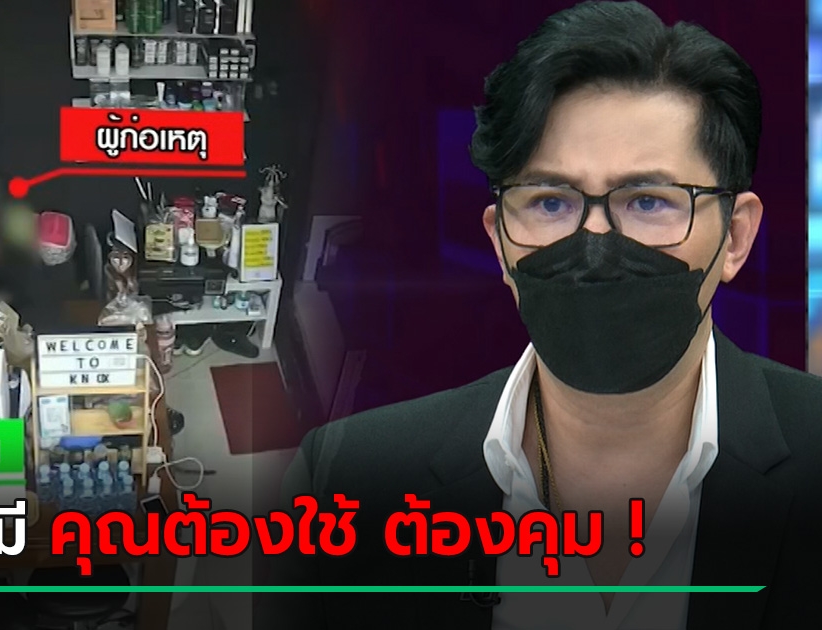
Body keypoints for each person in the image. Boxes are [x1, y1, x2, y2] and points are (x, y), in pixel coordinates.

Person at [265, 3, 819, 629]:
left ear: (736, 237)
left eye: (648, 201)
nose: (596, 241)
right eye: (551, 202)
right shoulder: (341, 484)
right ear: (500, 242)